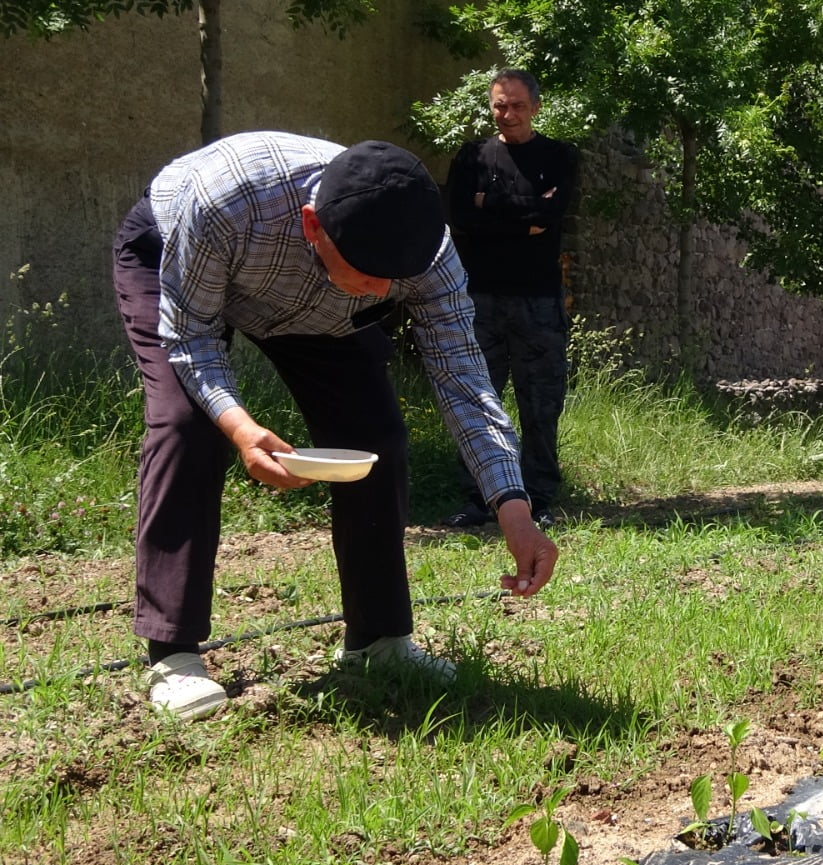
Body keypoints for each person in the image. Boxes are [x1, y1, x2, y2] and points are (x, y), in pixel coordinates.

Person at [112, 131, 560, 721]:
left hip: (316, 303)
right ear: (313, 225)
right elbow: (191, 337)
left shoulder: (424, 250)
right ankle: (173, 654)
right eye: (369, 272)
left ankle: (379, 641)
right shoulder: (225, 202)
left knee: (375, 437)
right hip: (180, 260)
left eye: (393, 279)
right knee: (185, 427)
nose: (382, 291)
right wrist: (242, 428)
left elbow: (464, 379)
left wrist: (513, 507)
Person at [441, 69, 579, 531]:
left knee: (540, 403)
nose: (509, 114)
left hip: (538, 301)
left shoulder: (558, 156)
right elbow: (459, 218)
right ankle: (480, 499)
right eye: (501, 104)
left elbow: (551, 212)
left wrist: (491, 205)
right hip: (479, 299)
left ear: (536, 107)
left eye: (518, 105)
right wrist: (523, 220)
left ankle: (538, 499)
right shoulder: (472, 157)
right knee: (479, 401)